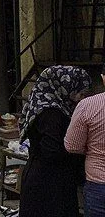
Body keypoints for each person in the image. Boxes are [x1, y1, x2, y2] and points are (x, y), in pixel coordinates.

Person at [15, 65, 88, 217]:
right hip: (48, 184)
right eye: (79, 92)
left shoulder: (48, 105)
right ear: (65, 87)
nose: (81, 98)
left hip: (47, 179)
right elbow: (51, 150)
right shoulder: (51, 112)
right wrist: (79, 151)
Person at [66, 63, 105, 217]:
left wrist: (92, 147)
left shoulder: (87, 105)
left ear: (102, 78)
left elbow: (72, 146)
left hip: (99, 184)